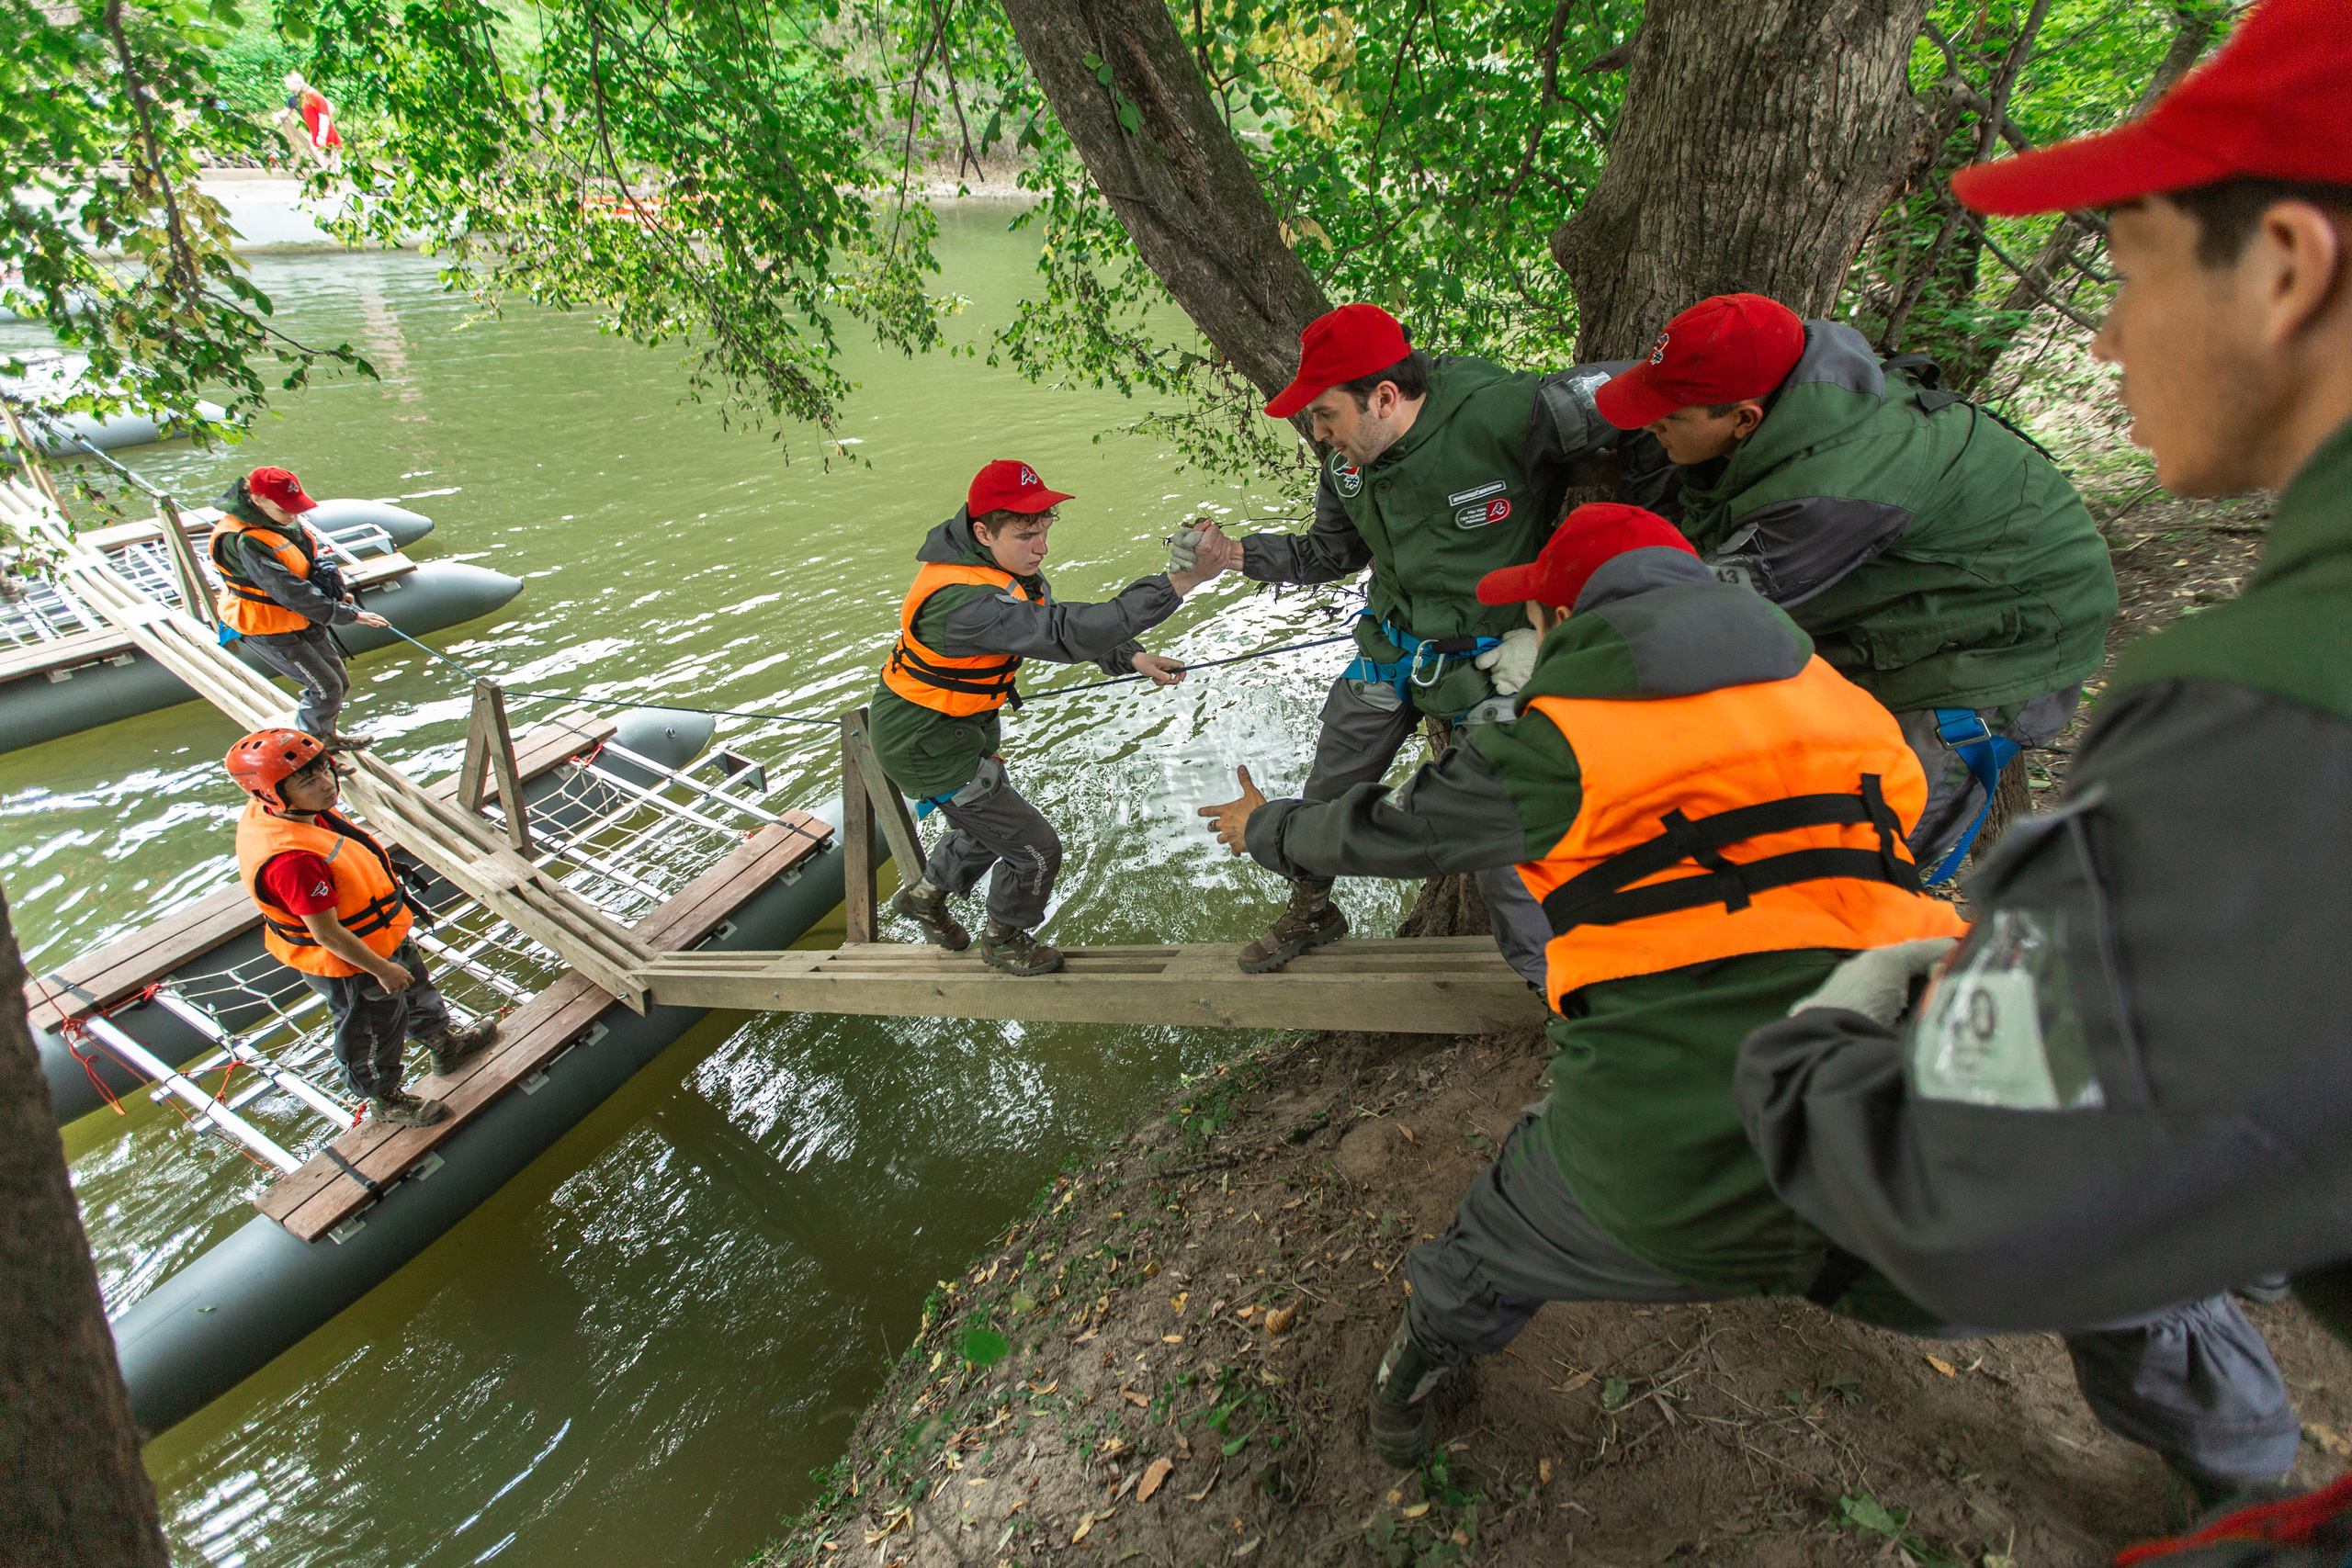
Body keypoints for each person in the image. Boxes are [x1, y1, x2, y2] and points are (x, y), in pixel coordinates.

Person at [1196, 504, 2299, 1511]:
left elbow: (1388, 833)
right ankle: (2245, 1479)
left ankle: (1406, 1392)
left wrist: (1264, 828)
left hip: (1668, 1151)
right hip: (1935, 1104)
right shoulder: (1856, 708)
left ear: (1562, 613)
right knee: (2116, 1226)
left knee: (1495, 1238)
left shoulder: (1547, 739)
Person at [1736, 0, 2352, 1549]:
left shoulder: (2278, 704)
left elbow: (1966, 1193)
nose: (2099, 334)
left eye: (2130, 265)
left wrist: (1835, 1018)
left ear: (2285, 265)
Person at [1192, 302, 1666, 981]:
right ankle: (1313, 910)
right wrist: (1236, 555)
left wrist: (1650, 542)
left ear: (1384, 397)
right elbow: (1330, 553)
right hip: (1392, 650)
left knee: (1502, 860)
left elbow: (1651, 395)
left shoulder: (1509, 410)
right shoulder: (1348, 465)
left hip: (1498, 663)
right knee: (1326, 791)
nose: (1319, 435)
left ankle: (1556, 992)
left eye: (1325, 415)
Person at [1593, 292, 2120, 879]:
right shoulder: (1791, 381)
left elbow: (1708, 617)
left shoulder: (1824, 493)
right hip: (1917, 586)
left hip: (2009, 629)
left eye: (1670, 416)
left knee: (1867, 848)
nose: (1651, 425)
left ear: (1745, 419)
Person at [868, 459, 1232, 976]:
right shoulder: (964, 603)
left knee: (983, 827)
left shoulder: (1002, 566)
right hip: (924, 743)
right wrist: (1181, 580)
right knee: (1035, 850)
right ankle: (1005, 938)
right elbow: (1063, 632)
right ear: (981, 531)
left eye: (1044, 530)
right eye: (1026, 535)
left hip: (955, 727)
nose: (1041, 547)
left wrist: (1132, 658)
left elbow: (1060, 625)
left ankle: (924, 897)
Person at [227, 729, 497, 1127]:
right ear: (270, 794)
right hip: (352, 961)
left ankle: (443, 1044)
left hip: (380, 933)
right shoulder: (292, 860)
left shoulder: (297, 812)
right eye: (308, 780)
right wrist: (380, 968)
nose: (326, 784)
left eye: (325, 770)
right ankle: (383, 1097)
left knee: (416, 988)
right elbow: (327, 934)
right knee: (371, 1028)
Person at [210, 466, 388, 751]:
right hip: (267, 625)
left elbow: (303, 569)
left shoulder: (279, 522)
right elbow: (290, 592)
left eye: (296, 507)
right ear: (258, 500)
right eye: (285, 509)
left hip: (302, 618)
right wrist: (349, 615)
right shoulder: (246, 541)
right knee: (325, 688)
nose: (293, 515)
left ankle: (325, 736)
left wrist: (337, 596)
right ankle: (312, 751)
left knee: (338, 682)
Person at [282, 72, 343, 171]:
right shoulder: (300, 98)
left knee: (334, 165)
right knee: (325, 165)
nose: (287, 86)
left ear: (297, 83)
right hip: (315, 133)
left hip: (325, 134)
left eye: (289, 83)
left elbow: (326, 114)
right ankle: (329, 184)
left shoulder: (313, 95)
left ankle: (337, 184)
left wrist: (322, 134)